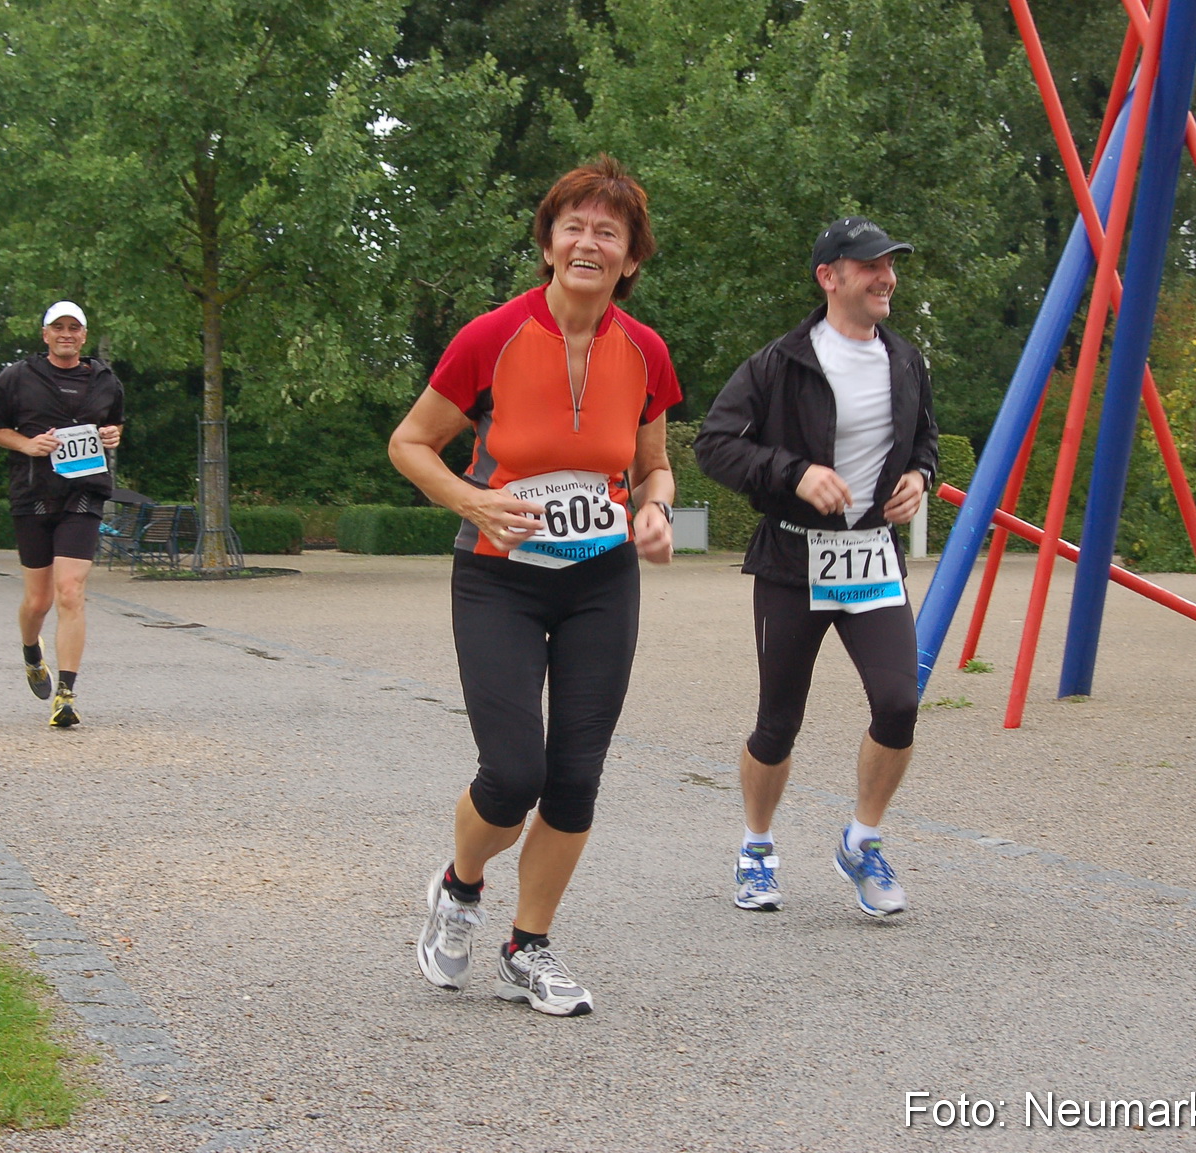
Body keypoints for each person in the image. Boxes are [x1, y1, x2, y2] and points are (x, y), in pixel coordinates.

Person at [390, 157, 678, 1017]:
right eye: (574, 227)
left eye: (609, 233)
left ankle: (530, 946)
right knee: (514, 770)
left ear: (630, 259)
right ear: (549, 243)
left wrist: (656, 511)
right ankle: (460, 885)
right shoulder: (490, 336)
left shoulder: (648, 351)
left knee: (577, 775)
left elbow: (655, 468)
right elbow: (410, 443)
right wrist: (474, 496)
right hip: (498, 579)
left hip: (602, 580)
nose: (589, 242)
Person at [695, 217, 937, 919]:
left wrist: (921, 477)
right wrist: (794, 473)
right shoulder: (779, 362)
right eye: (871, 266)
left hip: (870, 556)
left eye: (891, 265)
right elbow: (714, 445)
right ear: (829, 276)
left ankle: (862, 842)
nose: (886, 276)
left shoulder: (906, 360)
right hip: (793, 559)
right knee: (779, 721)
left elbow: (925, 442)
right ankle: (757, 847)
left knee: (899, 703)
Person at [0, 301, 125, 729]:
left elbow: (113, 426)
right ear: (45, 334)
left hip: (84, 493)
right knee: (39, 600)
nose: (66, 334)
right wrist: (26, 445)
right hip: (34, 494)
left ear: (83, 335)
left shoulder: (105, 380)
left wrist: (113, 435)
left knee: (69, 591)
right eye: (58, 327)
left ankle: (66, 693)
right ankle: (31, 650)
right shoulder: (16, 377)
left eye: (74, 328)